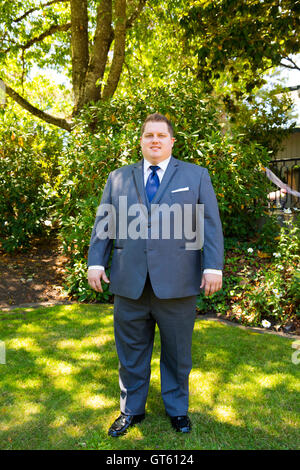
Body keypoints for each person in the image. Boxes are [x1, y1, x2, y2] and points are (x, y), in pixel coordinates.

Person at [87, 113, 224, 437]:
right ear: (141, 141)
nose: (155, 140)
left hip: (177, 284)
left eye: (161, 135)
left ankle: (177, 410)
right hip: (128, 282)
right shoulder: (118, 178)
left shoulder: (196, 175)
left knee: (178, 354)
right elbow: (104, 223)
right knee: (130, 353)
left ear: (172, 141)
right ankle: (131, 410)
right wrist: (96, 262)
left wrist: (213, 266)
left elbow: (209, 225)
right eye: (149, 135)